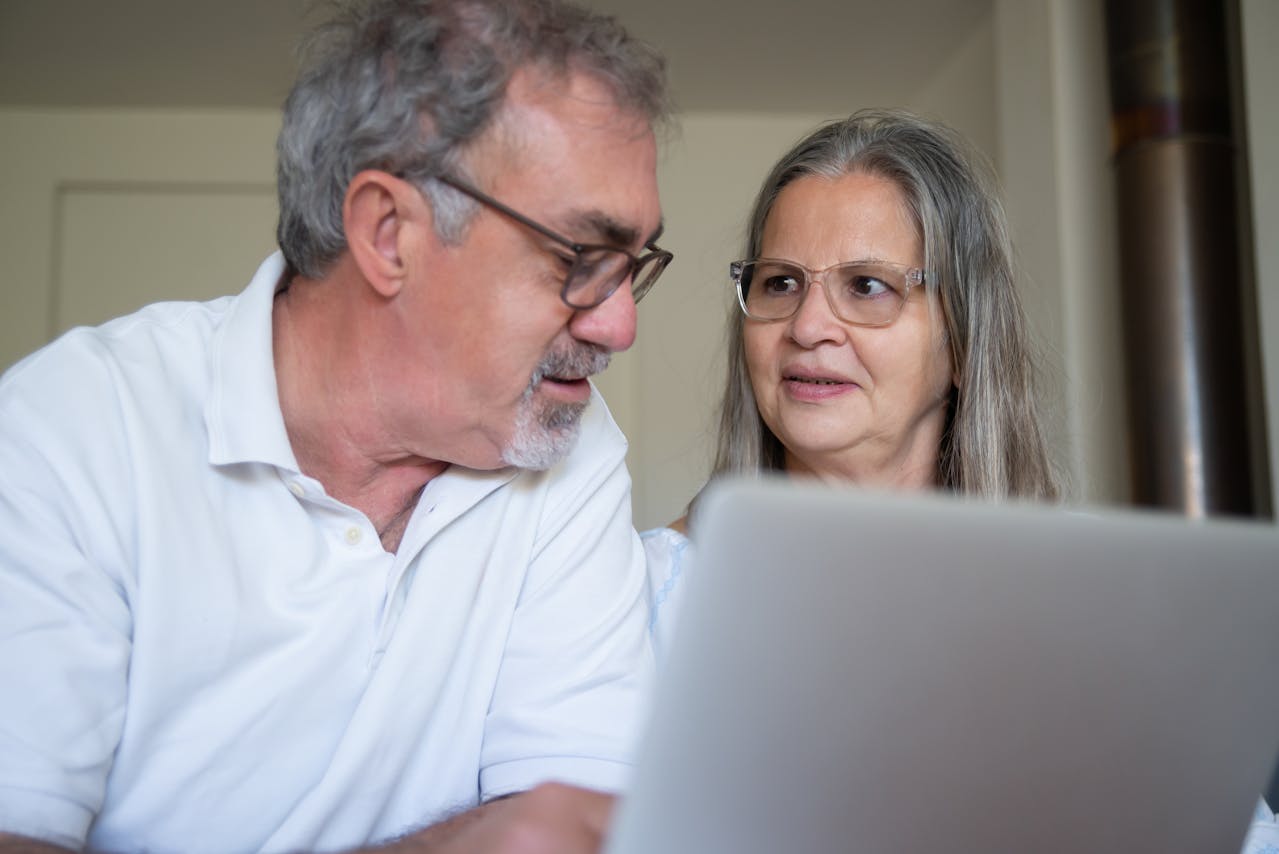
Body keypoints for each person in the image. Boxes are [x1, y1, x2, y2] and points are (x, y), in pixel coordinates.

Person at [0, 0, 673, 851]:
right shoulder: (78, 425)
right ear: (387, 234)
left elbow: (570, 824)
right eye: (580, 260)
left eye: (632, 266)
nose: (619, 327)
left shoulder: (569, 446)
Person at [644, 109, 1058, 660]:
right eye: (781, 282)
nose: (808, 327)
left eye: (866, 286)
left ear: (964, 338)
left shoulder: (1078, 590)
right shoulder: (639, 597)